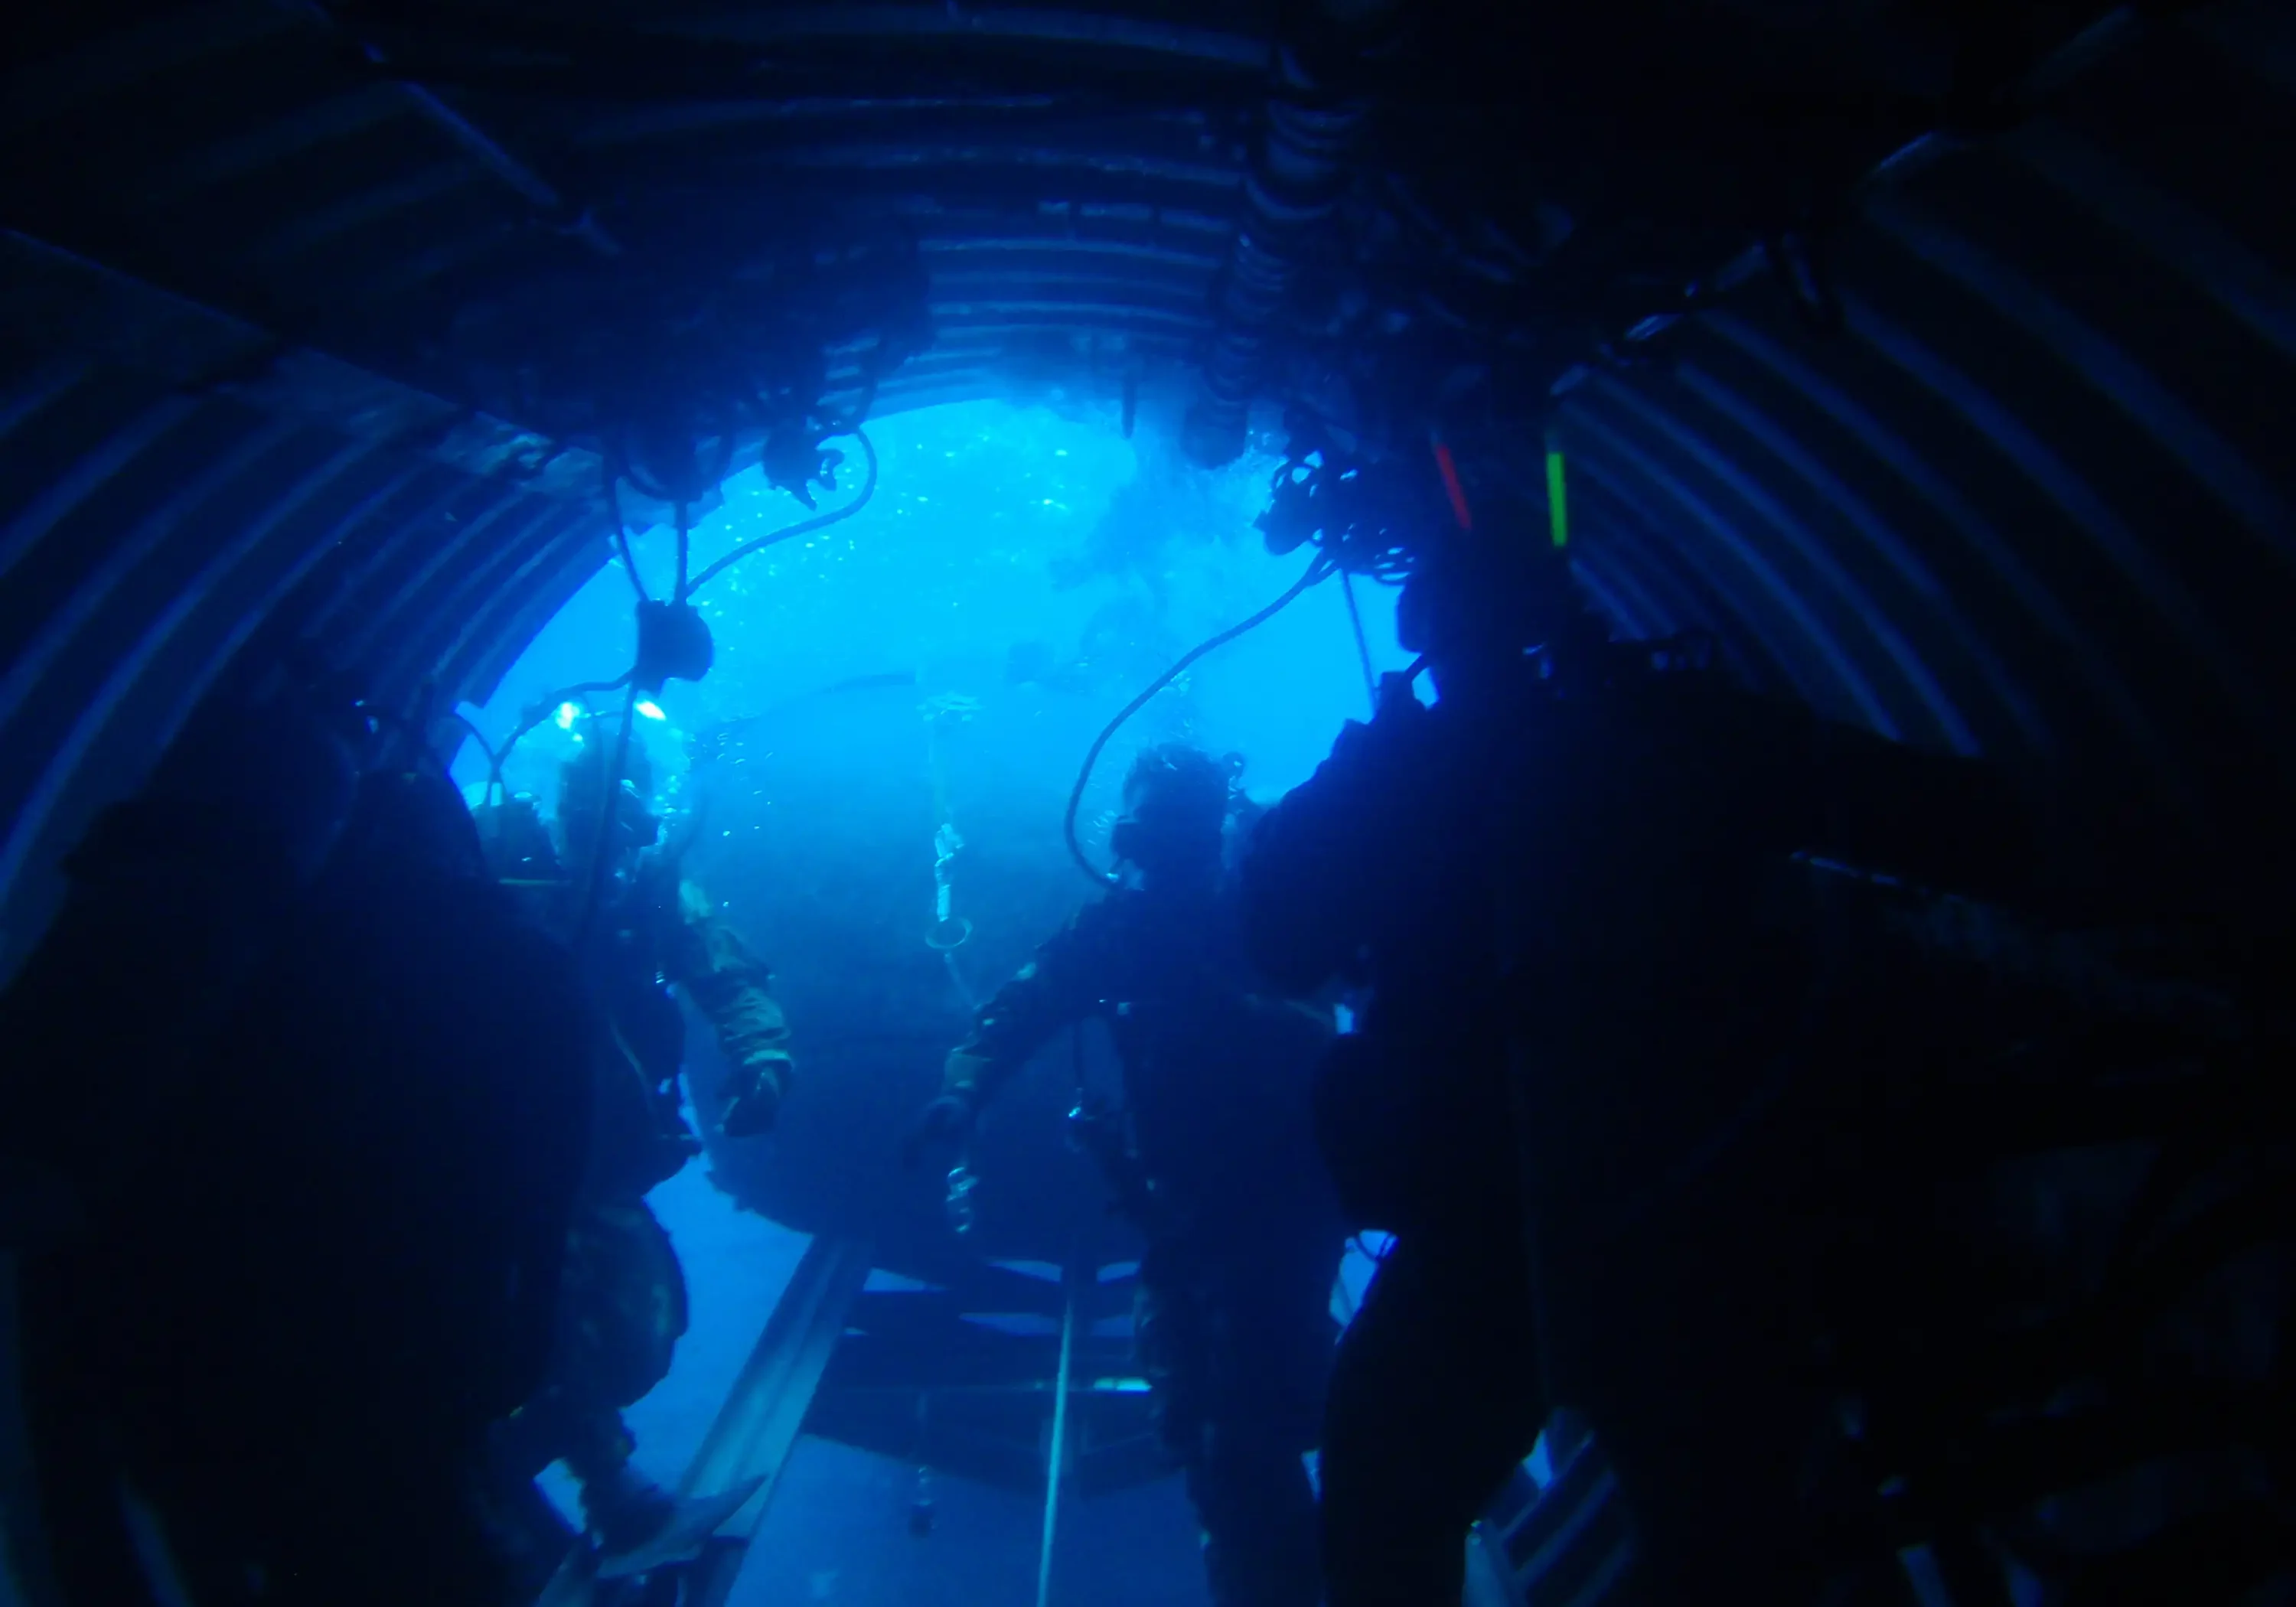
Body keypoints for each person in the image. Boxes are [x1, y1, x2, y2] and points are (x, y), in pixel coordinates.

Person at [1244, 514, 2037, 1605]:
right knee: (1734, 1538)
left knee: (1389, 1518)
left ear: (1436, 639)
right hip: (1687, 1219)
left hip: (1513, 1233)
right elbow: (1955, 824)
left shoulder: (1422, 776)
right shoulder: (1676, 730)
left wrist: (1357, 778)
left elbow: (1279, 940)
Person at [5, 682, 596, 1607]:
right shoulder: (503, 961)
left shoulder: (230, 944)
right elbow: (542, 1172)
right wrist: (508, 1344)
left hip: (194, 1355)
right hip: (378, 1354)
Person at [907, 743, 1345, 1607]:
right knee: (1201, 1426)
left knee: (1243, 1435)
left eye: (1168, 840)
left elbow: (1330, 1040)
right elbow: (1016, 1011)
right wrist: (962, 1095)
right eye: (1141, 841)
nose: (1151, 864)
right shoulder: (1117, 931)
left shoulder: (1266, 910)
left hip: (1281, 1209)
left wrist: (1215, 1009)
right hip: (1179, 1216)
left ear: (1207, 835)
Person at [476, 717, 794, 1583]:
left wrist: (762, 1060)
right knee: (553, 1310)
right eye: (591, 813)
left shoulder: (653, 894)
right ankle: (612, 1494)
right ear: (564, 805)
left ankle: (518, 1460)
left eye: (624, 815)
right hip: (504, 1149)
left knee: (638, 1331)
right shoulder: (499, 872)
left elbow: (726, 976)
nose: (609, 836)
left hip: (602, 1149)